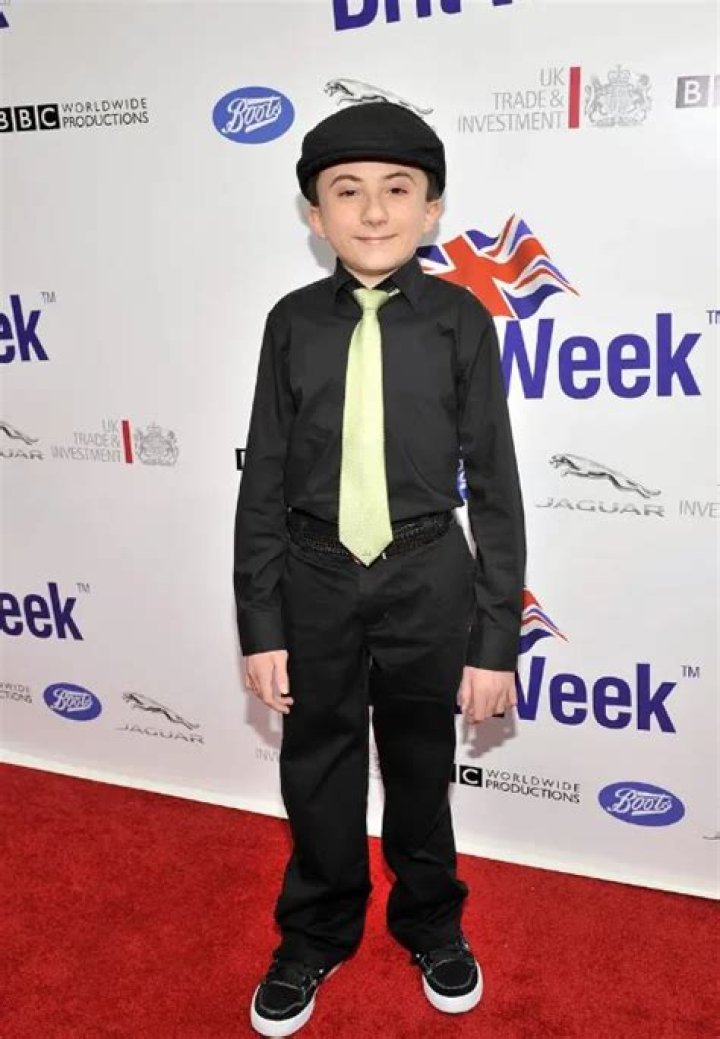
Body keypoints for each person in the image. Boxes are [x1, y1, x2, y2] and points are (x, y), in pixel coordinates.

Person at [233, 101, 526, 1037]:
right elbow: (263, 478)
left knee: (419, 761)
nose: (371, 211)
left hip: (427, 571)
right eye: (346, 191)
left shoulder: (461, 320)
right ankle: (315, 929)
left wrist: (495, 641)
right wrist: (261, 624)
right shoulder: (290, 323)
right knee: (316, 763)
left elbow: (496, 485)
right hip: (313, 574)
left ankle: (432, 920)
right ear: (314, 215)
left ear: (431, 209)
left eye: (397, 190)